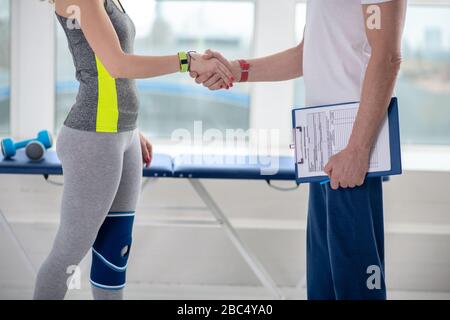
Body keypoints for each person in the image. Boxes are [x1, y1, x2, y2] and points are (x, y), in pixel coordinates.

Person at [192, 0, 407, 300]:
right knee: (323, 287)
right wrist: (236, 70)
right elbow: (308, 53)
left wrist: (357, 150)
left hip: (352, 150)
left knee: (355, 288)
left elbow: (387, 57)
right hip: (326, 147)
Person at [34, 0, 234, 300]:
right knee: (68, 254)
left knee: (116, 247)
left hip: (122, 134)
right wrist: (187, 60)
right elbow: (118, 65)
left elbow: (109, 69)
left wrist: (132, 129)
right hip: (93, 136)